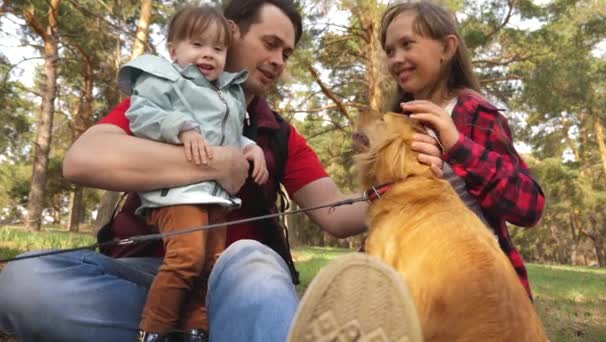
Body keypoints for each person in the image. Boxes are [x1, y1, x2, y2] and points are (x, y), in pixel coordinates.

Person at [0, 1, 443, 342]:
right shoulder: (164, 95)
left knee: (254, 264)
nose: (279, 61)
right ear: (232, 33)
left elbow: (337, 215)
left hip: (238, 278)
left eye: (287, 53)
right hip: (145, 276)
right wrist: (219, 161)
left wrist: (406, 185)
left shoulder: (280, 136)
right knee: (24, 282)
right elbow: (82, 160)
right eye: (269, 44)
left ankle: (236, 322)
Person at [117, 4, 269, 339]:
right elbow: (141, 115)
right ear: (172, 49)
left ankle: (195, 330)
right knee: (187, 257)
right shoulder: (164, 79)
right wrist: (181, 128)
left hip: (214, 200)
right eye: (197, 45)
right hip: (178, 194)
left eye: (218, 48)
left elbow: (226, 135)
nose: (208, 55)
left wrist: (249, 147)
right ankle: (154, 330)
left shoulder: (228, 92)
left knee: (210, 267)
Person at [378, 0, 545, 298]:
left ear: (447, 48)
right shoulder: (396, 124)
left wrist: (456, 146)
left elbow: (530, 207)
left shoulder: (478, 114)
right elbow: (384, 205)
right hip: (412, 286)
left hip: (481, 291)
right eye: (390, 51)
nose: (396, 58)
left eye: (407, 44)